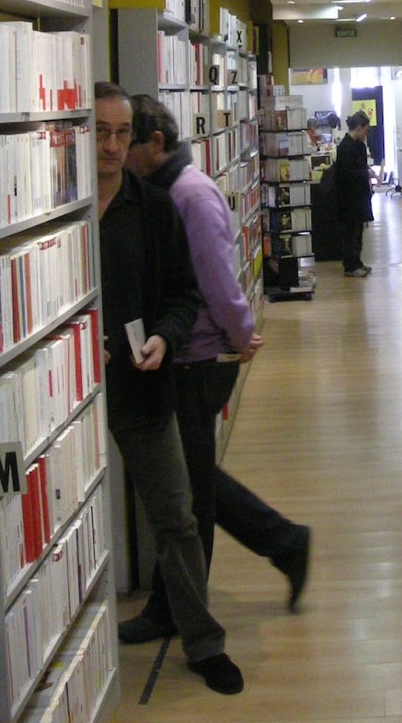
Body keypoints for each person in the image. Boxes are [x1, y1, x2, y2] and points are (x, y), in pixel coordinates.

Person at [118, 94, 312, 645]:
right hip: (182, 356)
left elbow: (218, 281)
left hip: (200, 359)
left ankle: (176, 609)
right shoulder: (164, 191)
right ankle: (285, 543)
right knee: (191, 477)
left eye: (127, 142)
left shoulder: (191, 194)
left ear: (155, 143)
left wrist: (241, 334)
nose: (118, 154)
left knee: (190, 494)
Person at [93, 82, 243, 695]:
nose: (111, 146)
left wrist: (164, 337)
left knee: (178, 517)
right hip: (64, 395)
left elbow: (183, 294)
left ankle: (204, 643)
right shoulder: (58, 211)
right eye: (99, 131)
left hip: (140, 384)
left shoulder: (155, 209)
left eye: (121, 133)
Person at [334, 110, 373, 277]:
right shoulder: (345, 147)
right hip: (349, 198)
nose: (366, 134)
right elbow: (345, 174)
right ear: (359, 128)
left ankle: (357, 261)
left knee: (358, 231)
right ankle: (350, 265)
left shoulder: (358, 146)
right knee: (350, 232)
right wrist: (365, 173)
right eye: (365, 130)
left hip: (359, 196)